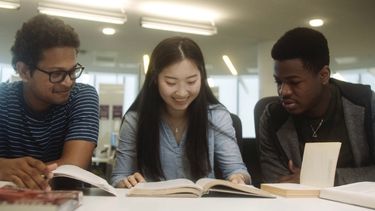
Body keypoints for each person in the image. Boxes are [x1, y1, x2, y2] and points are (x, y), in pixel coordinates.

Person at [111, 37, 250, 188]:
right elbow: (119, 177)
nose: (182, 93)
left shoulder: (217, 116)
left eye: (191, 82)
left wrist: (238, 178)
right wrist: (125, 183)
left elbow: (237, 170)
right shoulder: (135, 120)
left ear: (202, 77)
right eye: (170, 82)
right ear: (154, 78)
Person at [258, 27, 375, 185]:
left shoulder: (366, 105)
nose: (283, 91)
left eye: (294, 82)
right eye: (278, 82)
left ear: (323, 75)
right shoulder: (272, 118)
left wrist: (323, 179)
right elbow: (277, 183)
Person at [0, 14, 99, 190]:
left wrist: (18, 174)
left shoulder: (82, 96)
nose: (68, 82)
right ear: (24, 71)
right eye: (56, 74)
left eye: (72, 71)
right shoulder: (3, 99)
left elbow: (72, 167)